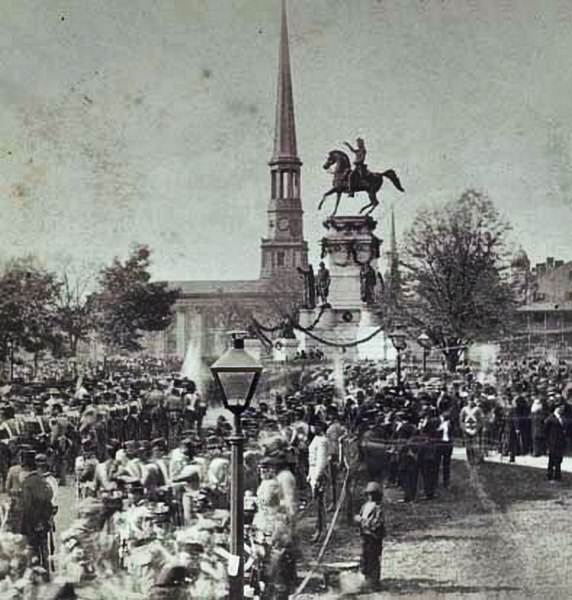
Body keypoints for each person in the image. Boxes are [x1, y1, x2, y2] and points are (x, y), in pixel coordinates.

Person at [355, 481, 385, 592]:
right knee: (365, 557)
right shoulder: (365, 506)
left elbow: (376, 524)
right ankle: (366, 579)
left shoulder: (378, 509)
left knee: (374, 559)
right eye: (369, 494)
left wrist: (362, 521)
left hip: (374, 538)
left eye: (373, 494)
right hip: (365, 537)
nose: (370, 496)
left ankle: (374, 582)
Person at [307, 420, 329, 542]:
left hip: (318, 472)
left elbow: (321, 461)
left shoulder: (322, 441)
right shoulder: (316, 438)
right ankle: (319, 529)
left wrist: (317, 477)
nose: (312, 428)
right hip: (313, 470)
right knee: (317, 504)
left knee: (319, 504)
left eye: (314, 426)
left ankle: (320, 530)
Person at [545, 404, 567, 482]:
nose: (562, 410)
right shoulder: (551, 418)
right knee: (552, 459)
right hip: (552, 442)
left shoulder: (563, 418)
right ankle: (550, 475)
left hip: (560, 442)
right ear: (556, 408)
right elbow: (546, 430)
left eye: (563, 409)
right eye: (561, 408)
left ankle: (558, 475)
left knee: (559, 459)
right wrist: (547, 441)